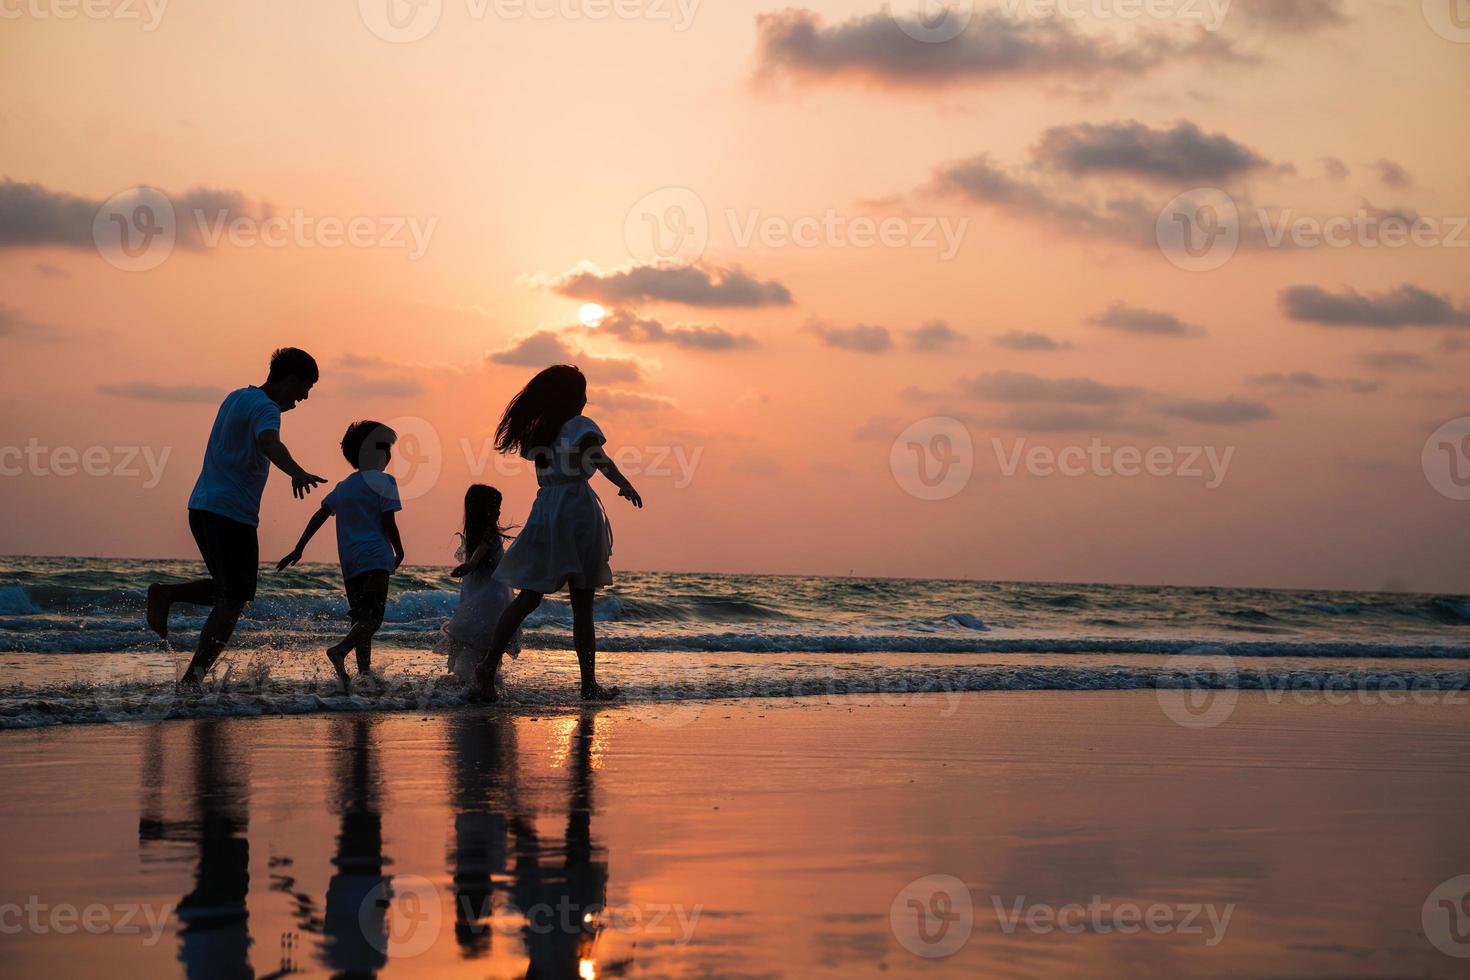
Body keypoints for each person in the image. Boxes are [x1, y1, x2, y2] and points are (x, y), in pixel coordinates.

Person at [146, 347, 325, 690]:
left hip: (202, 506)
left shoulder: (236, 397)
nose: (303, 398)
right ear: (289, 379)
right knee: (234, 599)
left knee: (229, 592)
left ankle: (168, 596)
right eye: (305, 389)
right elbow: (270, 443)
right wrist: (297, 472)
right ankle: (191, 682)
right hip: (230, 513)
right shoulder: (266, 408)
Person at [472, 364, 642, 702]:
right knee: (582, 602)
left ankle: (488, 665)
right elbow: (599, 458)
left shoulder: (541, 431)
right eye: (583, 392)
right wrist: (624, 483)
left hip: (546, 510)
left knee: (529, 597)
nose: (587, 398)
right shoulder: (580, 426)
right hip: (575, 510)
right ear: (575, 398)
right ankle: (588, 685)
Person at [277, 420, 405, 687]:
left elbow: (320, 514)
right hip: (375, 557)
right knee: (374, 618)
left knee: (361, 618)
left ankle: (364, 676)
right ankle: (339, 651)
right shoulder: (385, 481)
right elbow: (388, 522)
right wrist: (400, 550)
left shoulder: (344, 486)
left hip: (351, 562)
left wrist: (299, 547)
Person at [437, 484, 520, 683]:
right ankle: (483, 683)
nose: (499, 511)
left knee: (474, 645)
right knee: (489, 646)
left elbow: (479, 553)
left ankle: (468, 683)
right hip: (492, 601)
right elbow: (480, 552)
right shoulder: (489, 532)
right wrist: (471, 563)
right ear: (484, 509)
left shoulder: (478, 533)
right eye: (496, 506)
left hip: (480, 599)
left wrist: (470, 564)